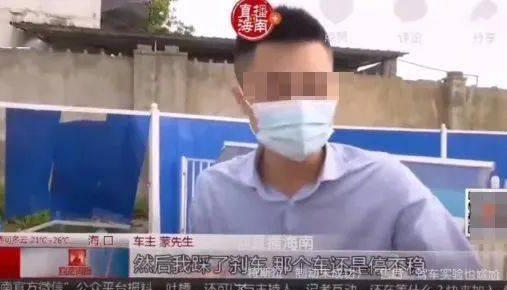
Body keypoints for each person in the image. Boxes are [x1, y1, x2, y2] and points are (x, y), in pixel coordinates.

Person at [189, 6, 476, 255]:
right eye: (278, 89)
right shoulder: (214, 193)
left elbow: (466, 282)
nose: (301, 104)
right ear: (243, 100)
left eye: (315, 86)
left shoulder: (389, 186)